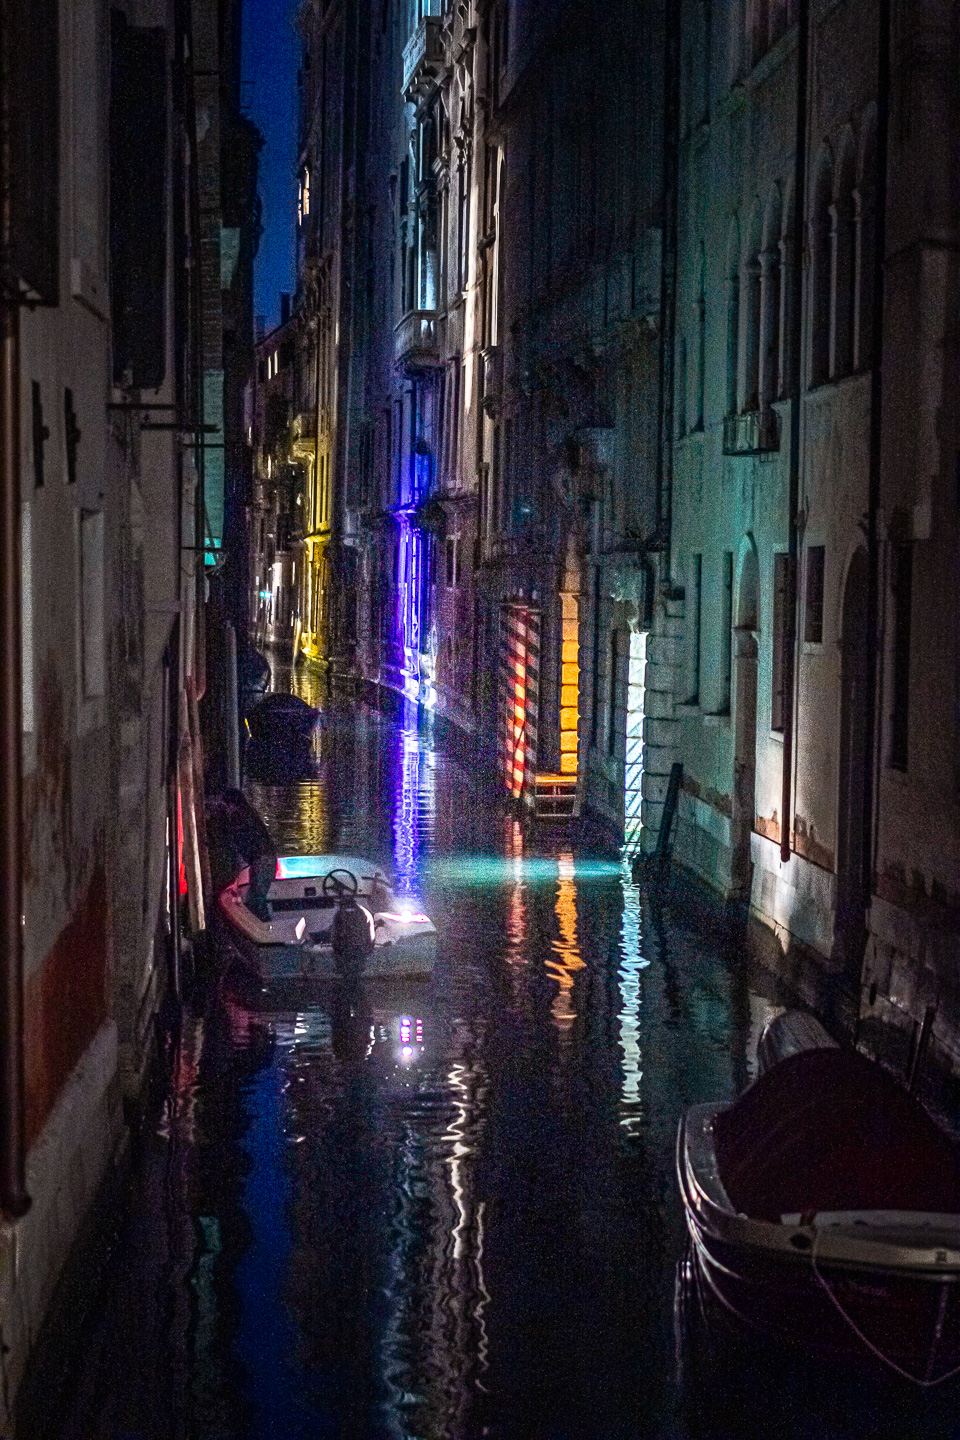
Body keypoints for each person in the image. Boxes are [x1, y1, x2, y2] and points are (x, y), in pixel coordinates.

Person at [206, 787, 277, 922]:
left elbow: (234, 839)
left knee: (256, 897)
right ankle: (262, 923)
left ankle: (263, 925)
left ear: (232, 804)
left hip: (262, 859)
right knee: (256, 896)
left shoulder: (240, 816)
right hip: (263, 859)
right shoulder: (247, 813)